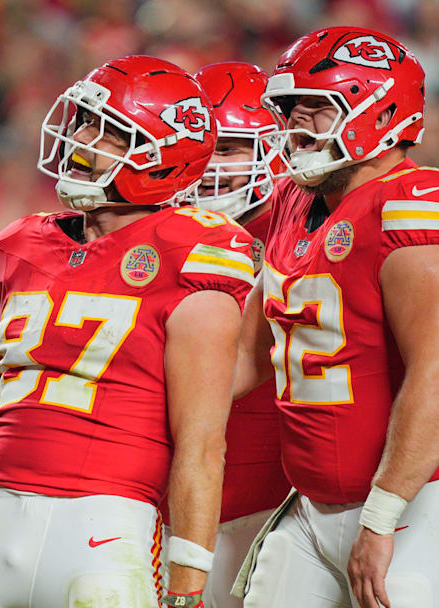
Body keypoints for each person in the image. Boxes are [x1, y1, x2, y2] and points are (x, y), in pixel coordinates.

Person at [0, 55, 255, 608]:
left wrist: (188, 589)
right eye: (82, 121)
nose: (79, 141)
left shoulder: (194, 256)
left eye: (106, 131)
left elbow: (200, 446)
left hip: (102, 529)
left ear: (159, 155)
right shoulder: (21, 248)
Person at [232, 27, 439, 608]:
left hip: (418, 499)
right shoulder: (297, 199)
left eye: (317, 109)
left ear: (381, 111)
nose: (296, 127)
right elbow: (247, 353)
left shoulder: (414, 206)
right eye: (290, 110)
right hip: (312, 501)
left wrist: (382, 514)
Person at [169, 61, 290, 608]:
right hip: (168, 496)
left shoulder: (301, 225)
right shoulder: (153, 226)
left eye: (229, 147)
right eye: (200, 146)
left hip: (277, 497)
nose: (206, 166)